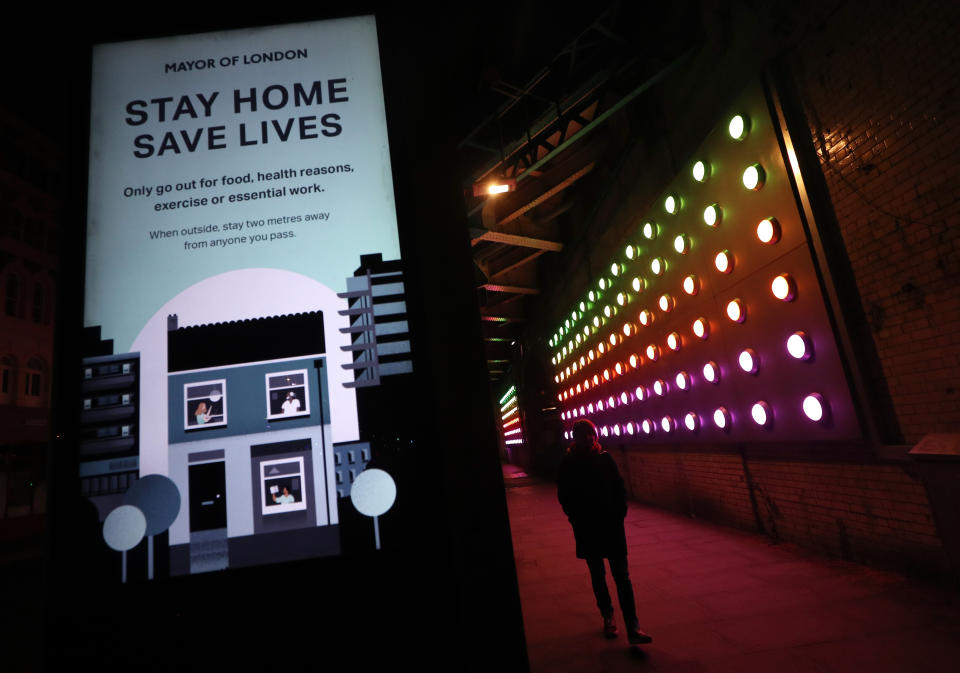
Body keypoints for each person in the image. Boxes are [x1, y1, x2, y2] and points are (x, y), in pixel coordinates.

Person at [557, 419, 652, 644]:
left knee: (622, 577)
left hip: (611, 527)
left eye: (591, 434)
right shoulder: (569, 463)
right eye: (584, 435)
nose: (589, 438)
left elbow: (619, 488)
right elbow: (565, 496)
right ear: (576, 438)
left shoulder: (605, 458)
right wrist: (576, 520)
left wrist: (620, 514)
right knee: (598, 575)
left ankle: (633, 626)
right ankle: (608, 617)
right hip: (588, 529)